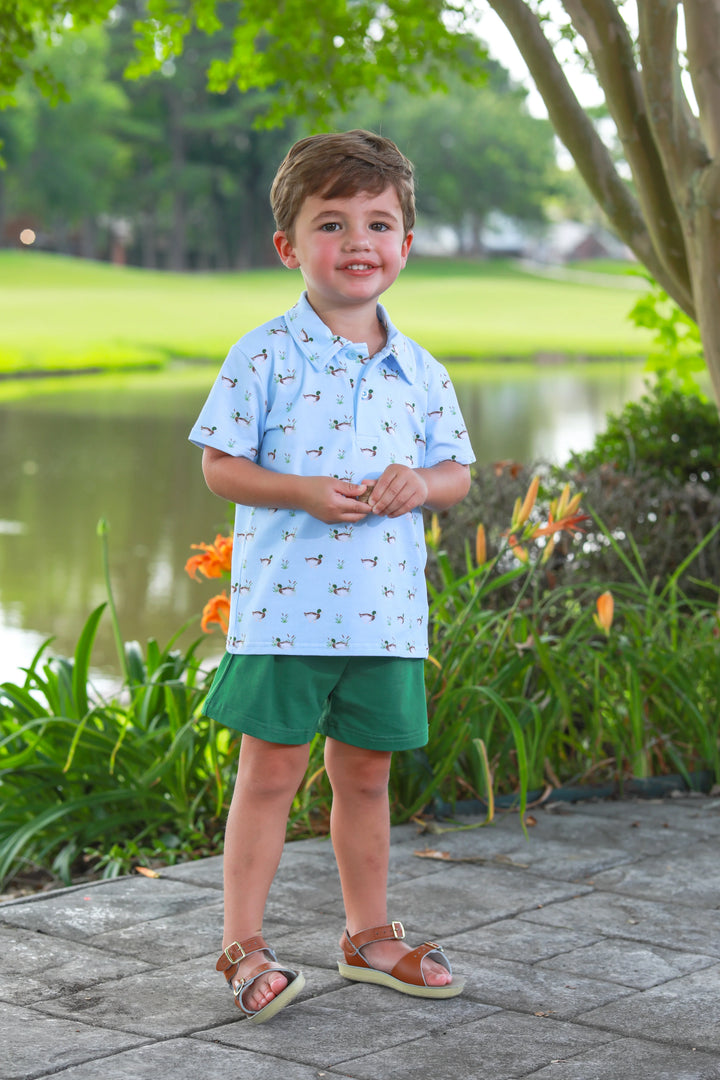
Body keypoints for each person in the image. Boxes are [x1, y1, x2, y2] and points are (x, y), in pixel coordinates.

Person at [189, 130, 475, 1024]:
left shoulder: (420, 370)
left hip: (385, 621)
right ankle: (243, 941)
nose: (359, 241)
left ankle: (367, 937)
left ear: (406, 244)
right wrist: (300, 491)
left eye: (379, 223)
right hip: (283, 617)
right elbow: (220, 466)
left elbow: (456, 474)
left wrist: (418, 484)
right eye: (332, 222)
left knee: (366, 780)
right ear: (289, 246)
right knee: (269, 775)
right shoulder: (264, 353)